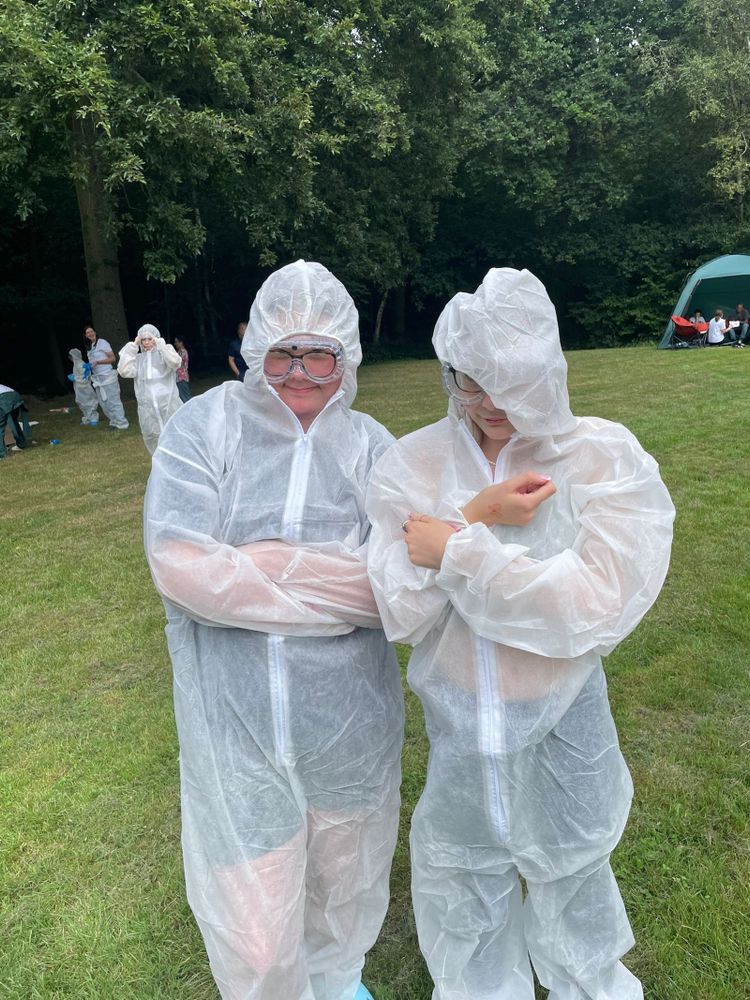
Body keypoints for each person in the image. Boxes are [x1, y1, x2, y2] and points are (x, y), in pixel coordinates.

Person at [366, 267, 675, 1000]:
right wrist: (474, 513)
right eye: (470, 381)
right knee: (462, 872)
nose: (490, 403)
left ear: (548, 368)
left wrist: (457, 552)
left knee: (573, 867)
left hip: (563, 720)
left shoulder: (602, 458)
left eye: (511, 380)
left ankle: (589, 984)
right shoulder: (413, 461)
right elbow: (399, 607)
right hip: (461, 720)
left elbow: (595, 605)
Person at [143, 260, 403, 1000]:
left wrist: (259, 565)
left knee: (344, 882)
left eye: (317, 353)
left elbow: (396, 584)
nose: (299, 372)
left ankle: (341, 980)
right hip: (235, 724)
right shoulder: (204, 428)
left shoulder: (373, 449)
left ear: (345, 359)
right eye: (282, 352)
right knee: (256, 936)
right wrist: (341, 585)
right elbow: (184, 569)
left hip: (348, 722)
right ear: (254, 352)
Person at [117, 324, 182, 454]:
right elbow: (124, 371)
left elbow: (175, 362)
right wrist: (133, 347)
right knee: (154, 438)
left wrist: (160, 344)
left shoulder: (165, 353)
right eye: (143, 339)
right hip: (148, 409)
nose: (146, 342)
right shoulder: (139, 359)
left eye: (149, 338)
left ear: (156, 338)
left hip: (168, 405)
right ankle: (162, 466)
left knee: (176, 434)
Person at [84, 326, 129, 429]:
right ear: (86, 336)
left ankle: (122, 424)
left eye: (91, 331)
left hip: (107, 376)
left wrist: (98, 362)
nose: (90, 334)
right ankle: (113, 422)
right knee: (103, 402)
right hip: (97, 378)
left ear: (95, 332)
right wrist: (88, 368)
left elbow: (112, 358)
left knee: (113, 400)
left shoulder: (102, 342)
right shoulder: (90, 347)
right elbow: (92, 363)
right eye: (88, 333)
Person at [67, 348, 99, 425]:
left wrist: (75, 378)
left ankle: (94, 419)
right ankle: (87, 418)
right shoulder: (76, 364)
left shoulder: (81, 364)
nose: (70, 359)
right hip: (79, 388)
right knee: (82, 404)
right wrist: (75, 377)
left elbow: (85, 377)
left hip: (85, 388)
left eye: (71, 357)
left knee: (89, 403)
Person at [0, 384, 31, 458]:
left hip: (3, 398)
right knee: (13, 421)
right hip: (15, 396)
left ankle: (1, 453)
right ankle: (21, 444)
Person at [174, 335, 191, 402]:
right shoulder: (179, 352)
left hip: (181, 378)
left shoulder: (182, 352)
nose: (175, 344)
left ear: (181, 342)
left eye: (176, 342)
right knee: (182, 399)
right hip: (179, 378)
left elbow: (177, 363)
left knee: (186, 399)